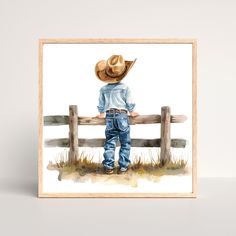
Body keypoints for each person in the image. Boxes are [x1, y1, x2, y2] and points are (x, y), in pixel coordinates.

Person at [95, 55, 139, 174]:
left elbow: (101, 103)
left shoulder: (104, 89)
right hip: (122, 116)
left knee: (110, 142)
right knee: (125, 142)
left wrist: (101, 113)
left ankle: (108, 167)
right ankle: (123, 167)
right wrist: (131, 111)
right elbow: (129, 102)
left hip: (109, 116)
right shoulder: (125, 88)